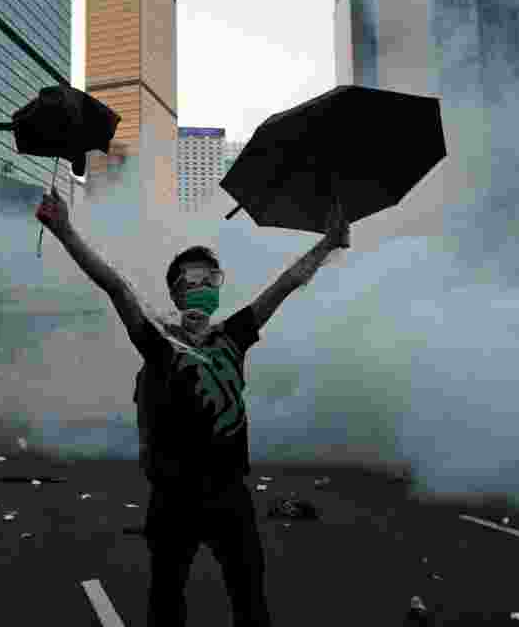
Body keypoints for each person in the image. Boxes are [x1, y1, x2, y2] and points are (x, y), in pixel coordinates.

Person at [36, 186, 349, 627]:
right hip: (174, 499)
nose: (203, 287)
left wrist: (328, 243)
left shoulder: (233, 336)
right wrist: (66, 230)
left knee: (250, 600)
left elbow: (285, 284)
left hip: (231, 495)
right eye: (193, 279)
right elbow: (114, 285)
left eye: (211, 279)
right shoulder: (158, 341)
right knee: (166, 601)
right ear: (177, 291)